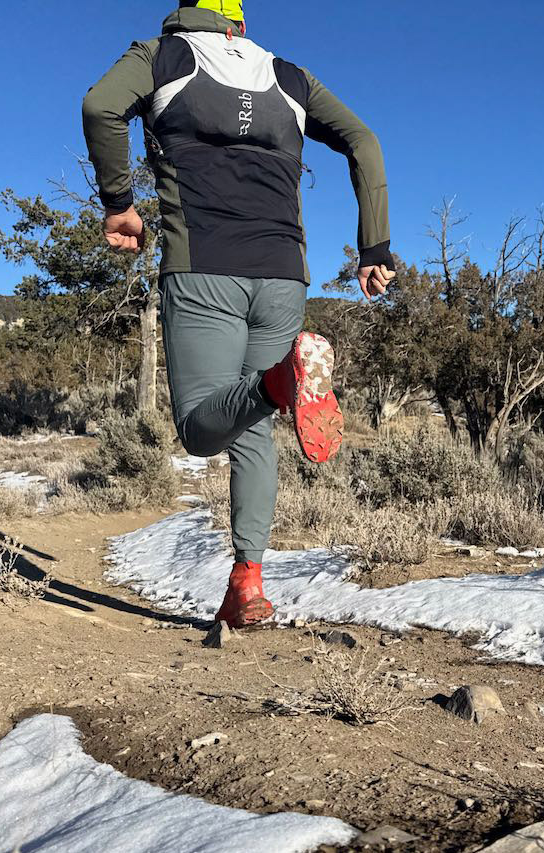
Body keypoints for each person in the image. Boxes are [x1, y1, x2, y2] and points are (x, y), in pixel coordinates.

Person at [81, 0, 394, 628]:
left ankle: (283, 380)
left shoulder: (161, 56)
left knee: (201, 429)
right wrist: (374, 247)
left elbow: (100, 107)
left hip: (204, 268)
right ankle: (247, 582)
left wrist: (119, 202)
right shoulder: (289, 76)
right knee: (251, 423)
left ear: (182, 14)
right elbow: (362, 139)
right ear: (238, 23)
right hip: (285, 276)